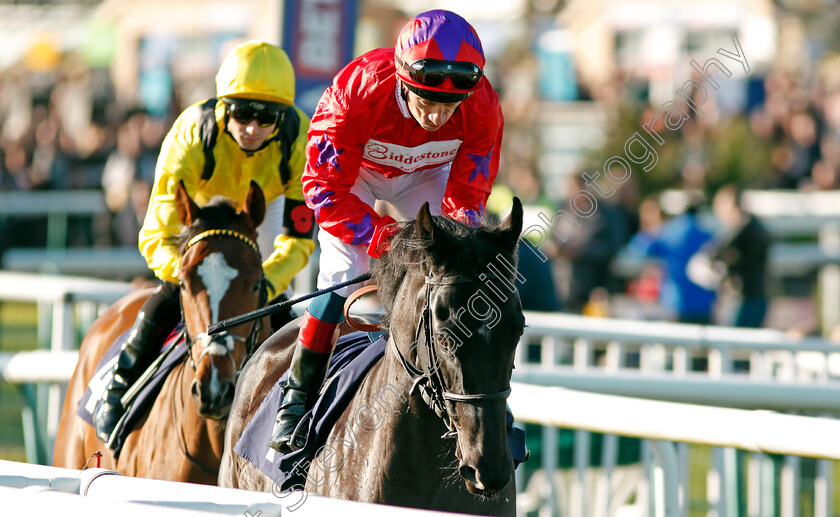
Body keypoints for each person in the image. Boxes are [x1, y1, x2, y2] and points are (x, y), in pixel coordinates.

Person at [269, 9, 504, 453]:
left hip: (427, 174)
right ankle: (296, 401)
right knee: (343, 275)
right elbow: (323, 188)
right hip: (353, 177)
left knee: (449, 274)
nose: (437, 117)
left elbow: (468, 197)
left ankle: (475, 402)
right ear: (402, 80)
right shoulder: (355, 93)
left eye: (450, 106)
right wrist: (385, 238)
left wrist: (449, 243)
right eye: (426, 101)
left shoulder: (483, 107)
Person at [93, 41, 316, 444]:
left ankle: (303, 409)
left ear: (282, 116)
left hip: (252, 222)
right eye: (242, 113)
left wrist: (264, 285)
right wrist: (188, 276)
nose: (252, 128)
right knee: (168, 292)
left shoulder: (299, 139)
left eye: (266, 118)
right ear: (222, 106)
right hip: (201, 220)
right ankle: (118, 386)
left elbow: (299, 239)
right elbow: (155, 234)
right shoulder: (192, 134)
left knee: (283, 317)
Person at [710, 184, 772, 327]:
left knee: (732, 345)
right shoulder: (758, 227)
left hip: (741, 298)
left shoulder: (739, 230)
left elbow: (714, 255)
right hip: (759, 295)